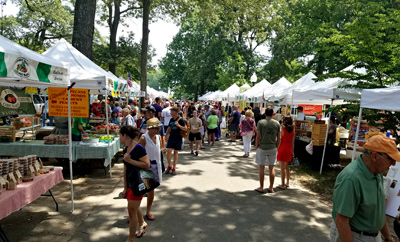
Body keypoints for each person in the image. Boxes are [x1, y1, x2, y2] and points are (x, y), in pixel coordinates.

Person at [330, 135, 399, 242]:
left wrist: (387, 237)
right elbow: (341, 222)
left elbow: (378, 210)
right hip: (354, 235)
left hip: (373, 236)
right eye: (391, 159)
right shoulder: (351, 178)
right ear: (375, 156)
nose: (393, 163)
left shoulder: (377, 173)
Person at [120, 126, 150, 240]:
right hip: (130, 184)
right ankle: (142, 223)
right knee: (134, 206)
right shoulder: (126, 148)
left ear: (125, 135)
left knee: (131, 211)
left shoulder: (138, 148)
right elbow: (125, 169)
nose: (119, 138)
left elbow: (146, 164)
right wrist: (125, 187)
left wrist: (130, 160)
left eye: (120, 135)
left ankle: (130, 239)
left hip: (139, 182)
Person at [139, 118, 166, 221]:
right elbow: (138, 152)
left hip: (156, 165)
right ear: (150, 129)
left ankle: (148, 211)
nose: (159, 129)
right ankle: (135, 212)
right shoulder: (143, 138)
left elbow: (156, 149)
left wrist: (161, 151)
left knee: (151, 190)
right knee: (143, 189)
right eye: (156, 128)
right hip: (147, 166)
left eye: (159, 127)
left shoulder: (158, 137)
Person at [254, 108, 281, 194]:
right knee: (271, 168)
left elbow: (258, 136)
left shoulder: (261, 122)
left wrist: (256, 145)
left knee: (261, 167)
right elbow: (279, 137)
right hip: (272, 147)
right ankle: (271, 187)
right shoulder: (277, 123)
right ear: (273, 114)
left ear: (265, 113)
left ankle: (261, 187)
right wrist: (277, 146)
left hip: (262, 147)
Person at [164, 107, 187, 175]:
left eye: (171, 112)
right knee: (168, 151)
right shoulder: (171, 119)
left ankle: (174, 168)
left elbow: (185, 129)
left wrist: (178, 125)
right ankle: (169, 166)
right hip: (171, 137)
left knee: (175, 153)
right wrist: (166, 134)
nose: (170, 113)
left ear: (175, 112)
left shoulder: (181, 120)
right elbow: (169, 127)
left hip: (178, 138)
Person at [276, 116, 295, 190]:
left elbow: (280, 141)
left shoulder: (282, 130)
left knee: (282, 168)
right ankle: (287, 182)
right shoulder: (293, 130)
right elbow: (293, 142)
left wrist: (277, 149)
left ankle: (282, 184)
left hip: (282, 148)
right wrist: (292, 151)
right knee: (286, 167)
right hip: (289, 148)